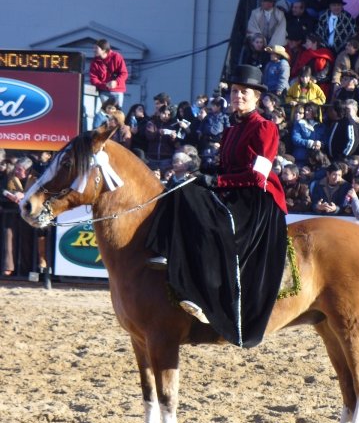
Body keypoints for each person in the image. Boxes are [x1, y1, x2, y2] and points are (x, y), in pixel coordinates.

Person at [146, 65, 288, 348]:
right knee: (180, 190)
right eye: (235, 92)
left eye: (243, 92)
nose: (238, 96)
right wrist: (203, 172)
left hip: (257, 199)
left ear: (257, 97)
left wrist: (216, 180)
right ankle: (166, 253)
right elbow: (224, 166)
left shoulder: (265, 127)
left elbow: (257, 176)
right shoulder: (231, 128)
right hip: (233, 190)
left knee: (194, 202)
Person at [89, 39, 128, 108]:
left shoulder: (116, 56)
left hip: (117, 90)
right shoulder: (94, 62)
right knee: (106, 112)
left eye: (96, 48)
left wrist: (116, 82)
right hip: (103, 91)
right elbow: (93, 79)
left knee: (116, 114)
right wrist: (105, 85)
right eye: (93, 48)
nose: (94, 50)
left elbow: (124, 73)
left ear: (104, 50)